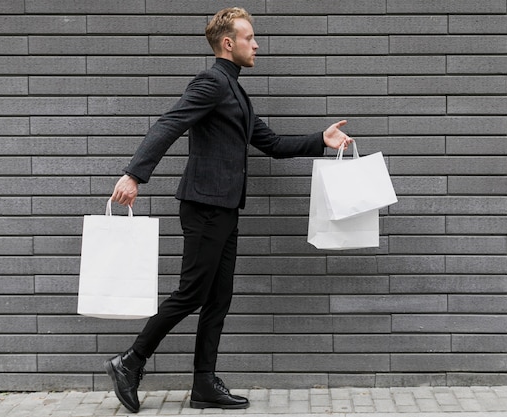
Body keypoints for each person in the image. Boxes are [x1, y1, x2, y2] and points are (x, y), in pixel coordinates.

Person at [104, 7, 353, 414]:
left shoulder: (236, 92)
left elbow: (271, 143)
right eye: (249, 37)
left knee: (218, 297)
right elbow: (169, 123)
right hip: (204, 205)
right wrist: (134, 175)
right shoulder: (211, 83)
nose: (256, 44)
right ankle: (130, 362)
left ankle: (204, 384)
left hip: (223, 208)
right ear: (227, 43)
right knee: (191, 293)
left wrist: (320, 140)